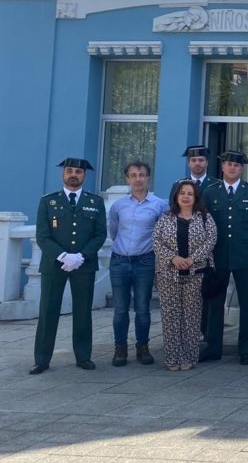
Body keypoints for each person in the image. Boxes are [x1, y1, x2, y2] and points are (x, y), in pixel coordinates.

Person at [31, 158, 108, 374]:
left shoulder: (95, 202)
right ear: (63, 174)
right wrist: (63, 255)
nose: (73, 174)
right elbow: (43, 236)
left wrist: (81, 256)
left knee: (83, 311)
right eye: (69, 171)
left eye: (78, 172)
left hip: (84, 264)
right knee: (48, 311)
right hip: (54, 264)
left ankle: (83, 356)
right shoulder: (48, 201)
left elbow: (100, 234)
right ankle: (42, 359)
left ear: (85, 175)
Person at [200, 151, 248, 365]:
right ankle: (213, 347)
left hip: (245, 254)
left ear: (242, 169)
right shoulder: (210, 193)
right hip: (217, 254)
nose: (232, 168)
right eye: (228, 164)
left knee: (247, 302)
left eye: (236, 166)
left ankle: (246, 348)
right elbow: (204, 222)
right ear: (222, 167)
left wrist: (245, 240)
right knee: (215, 303)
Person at [107, 161, 167, 367]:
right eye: (133, 175)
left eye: (141, 175)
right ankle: (120, 348)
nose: (138, 179)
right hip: (120, 261)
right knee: (120, 309)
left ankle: (143, 347)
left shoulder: (159, 205)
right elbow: (113, 231)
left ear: (148, 177)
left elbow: (162, 234)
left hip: (145, 262)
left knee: (142, 308)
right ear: (127, 179)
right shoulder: (118, 206)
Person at [153, 180, 217, 371]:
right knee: (171, 316)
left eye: (190, 193)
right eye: (182, 193)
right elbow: (156, 241)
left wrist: (192, 259)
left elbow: (211, 239)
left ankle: (189, 356)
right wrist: (173, 258)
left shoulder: (205, 217)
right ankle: (172, 357)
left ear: (195, 197)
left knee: (191, 317)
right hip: (168, 275)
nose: (186, 197)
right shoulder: (166, 218)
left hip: (195, 274)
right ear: (176, 196)